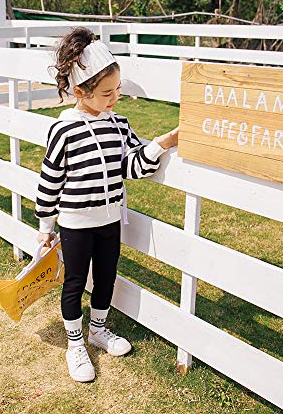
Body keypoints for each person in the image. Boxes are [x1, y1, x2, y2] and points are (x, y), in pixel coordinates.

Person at [34, 26, 179, 382]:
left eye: (117, 90)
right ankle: (74, 344)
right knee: (75, 282)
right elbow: (50, 180)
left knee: (107, 277)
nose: (114, 98)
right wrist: (45, 228)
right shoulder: (64, 129)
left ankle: (98, 331)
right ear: (81, 91)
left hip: (110, 218)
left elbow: (131, 165)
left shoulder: (119, 124)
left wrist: (162, 143)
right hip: (75, 222)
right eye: (106, 93)